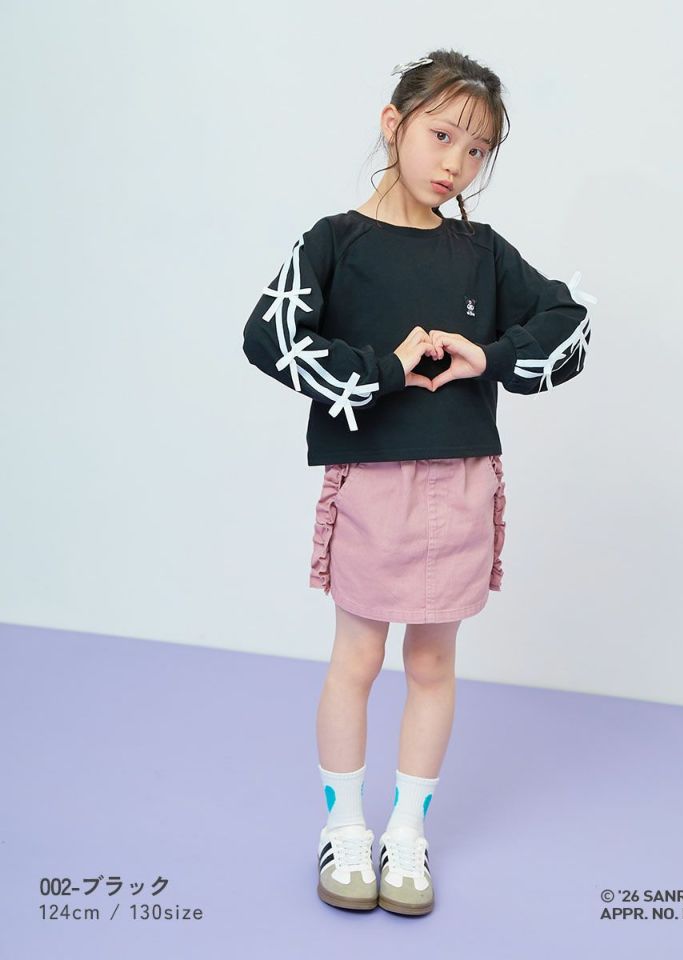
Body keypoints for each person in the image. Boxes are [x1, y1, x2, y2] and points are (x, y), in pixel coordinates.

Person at [242, 48, 591, 916]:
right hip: (373, 481)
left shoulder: (481, 251)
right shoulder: (336, 240)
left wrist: (492, 355)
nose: (455, 163)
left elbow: (569, 324)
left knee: (433, 661)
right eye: (441, 136)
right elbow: (269, 337)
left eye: (477, 151)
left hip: (463, 480)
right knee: (359, 657)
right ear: (393, 124)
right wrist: (384, 370)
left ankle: (407, 832)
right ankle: (343, 829)